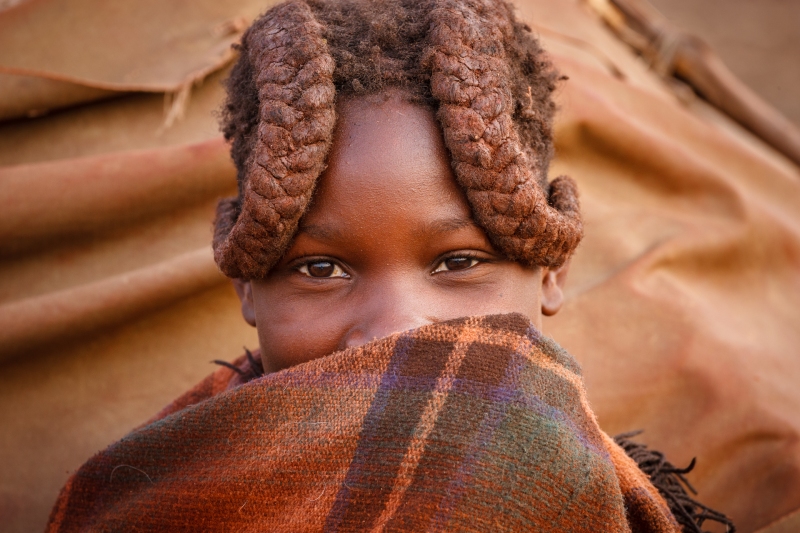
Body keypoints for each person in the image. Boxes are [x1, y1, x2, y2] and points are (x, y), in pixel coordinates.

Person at [46, 0, 734, 531]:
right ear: (245, 284)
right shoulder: (152, 489)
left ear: (550, 269)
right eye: (320, 269)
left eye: (458, 261)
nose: (395, 328)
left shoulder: (555, 477)